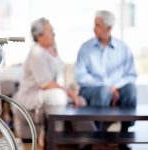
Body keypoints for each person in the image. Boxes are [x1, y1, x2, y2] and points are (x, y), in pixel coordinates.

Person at [15, 17, 84, 147]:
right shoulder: (36, 53)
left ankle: (86, 140)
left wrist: (72, 89)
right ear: (38, 35)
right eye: (50, 30)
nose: (54, 33)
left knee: (81, 99)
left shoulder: (53, 49)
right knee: (58, 96)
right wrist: (69, 93)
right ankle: (52, 137)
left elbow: (59, 75)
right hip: (33, 96)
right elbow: (46, 84)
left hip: (48, 92)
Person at [75, 10, 137, 150]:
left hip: (117, 88)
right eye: (94, 24)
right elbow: (80, 76)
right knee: (103, 91)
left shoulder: (123, 48)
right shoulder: (86, 48)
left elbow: (131, 75)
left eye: (97, 25)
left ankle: (124, 135)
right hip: (92, 89)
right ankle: (96, 137)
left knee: (131, 89)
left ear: (108, 28)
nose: (94, 28)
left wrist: (115, 87)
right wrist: (107, 86)